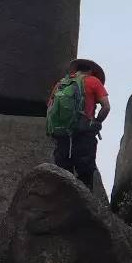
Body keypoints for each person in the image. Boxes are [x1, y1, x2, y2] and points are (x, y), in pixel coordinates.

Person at [46, 58, 110, 189]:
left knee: (63, 176)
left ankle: (62, 205)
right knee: (85, 177)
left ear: (76, 69)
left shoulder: (61, 84)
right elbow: (106, 107)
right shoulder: (93, 81)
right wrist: (97, 122)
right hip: (84, 134)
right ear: (91, 70)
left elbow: (50, 108)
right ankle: (84, 207)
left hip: (62, 135)